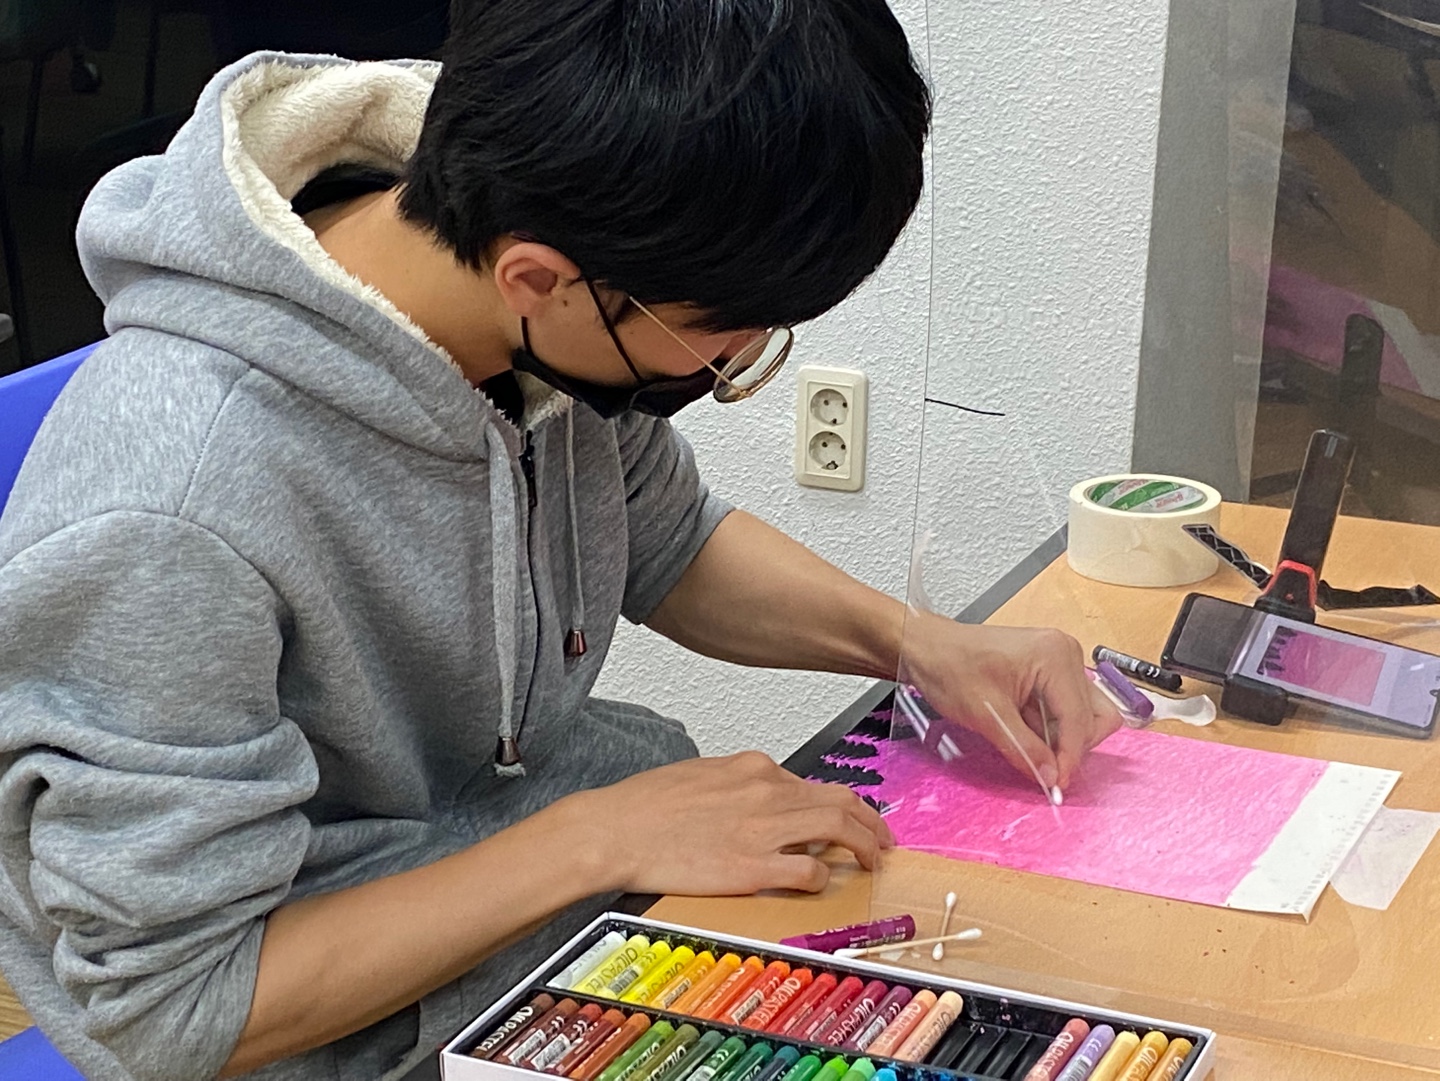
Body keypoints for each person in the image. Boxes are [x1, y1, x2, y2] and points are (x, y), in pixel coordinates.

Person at [0, 2, 1121, 1079]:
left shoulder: (543, 245)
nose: (731, 364)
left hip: (566, 923)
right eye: (721, 341)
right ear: (537, 281)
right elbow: (178, 1010)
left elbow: (670, 542)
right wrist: (594, 839)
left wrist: (914, 643)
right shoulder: (172, 511)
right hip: (348, 1030)